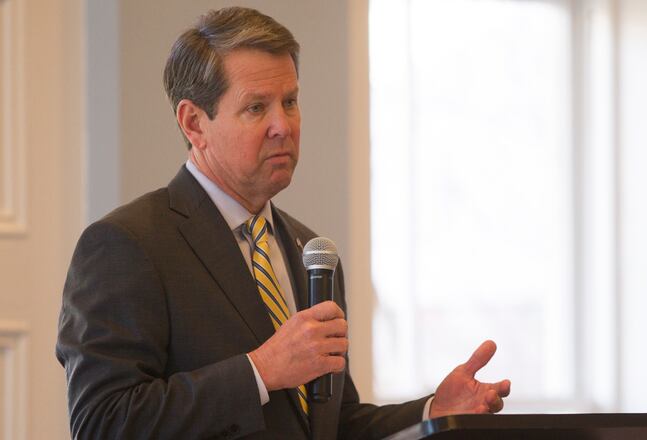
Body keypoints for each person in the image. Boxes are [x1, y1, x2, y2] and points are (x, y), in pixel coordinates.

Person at [56, 6, 511, 439]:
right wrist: (260, 371)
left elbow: (333, 426)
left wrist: (433, 414)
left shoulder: (311, 251)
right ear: (194, 123)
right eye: (257, 108)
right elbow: (101, 422)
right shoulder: (126, 244)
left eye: (290, 102)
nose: (283, 125)